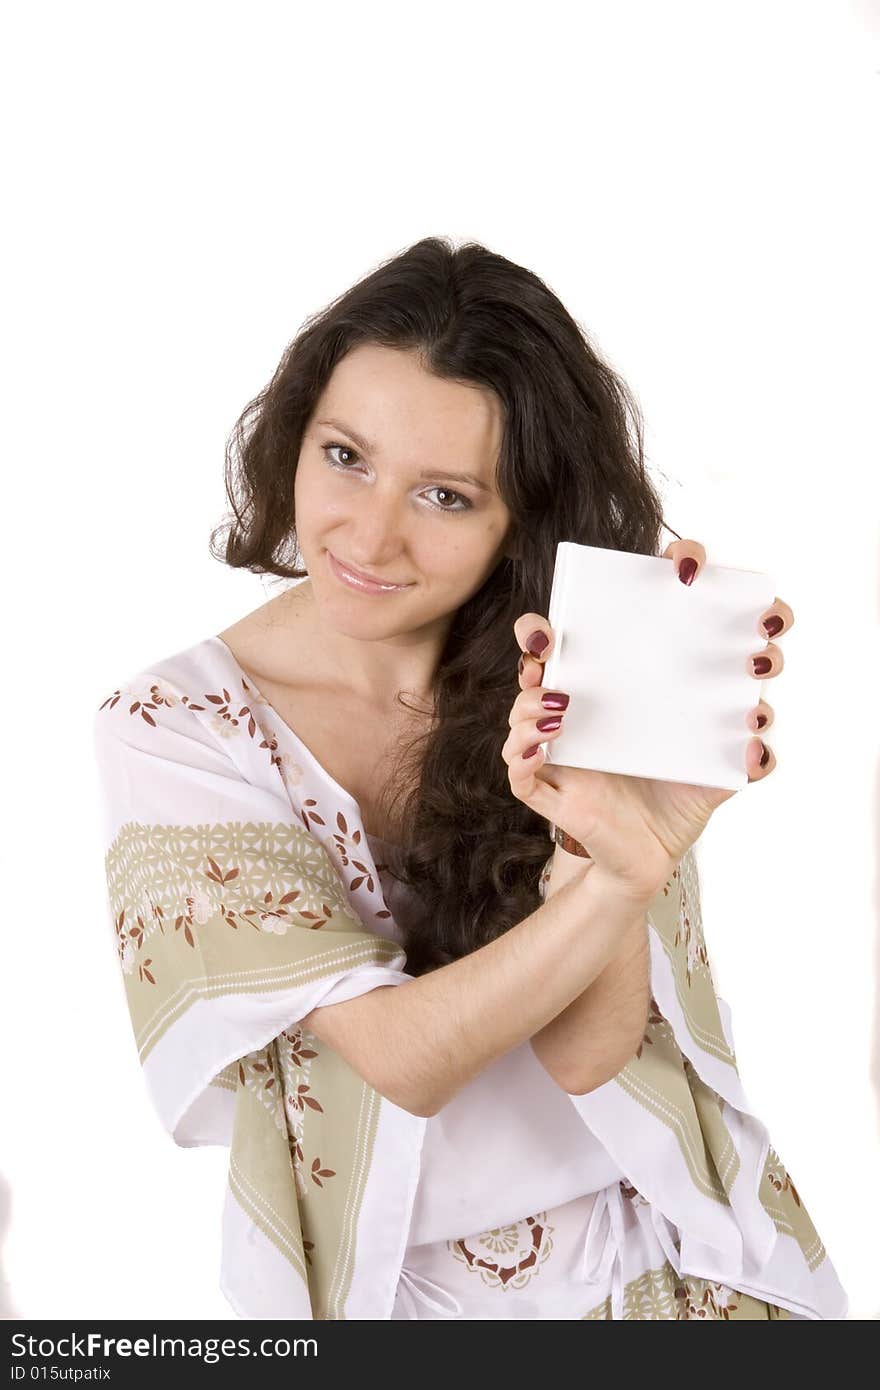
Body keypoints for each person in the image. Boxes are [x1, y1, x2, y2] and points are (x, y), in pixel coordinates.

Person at [92, 236, 847, 1320]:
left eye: (445, 496)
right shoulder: (177, 728)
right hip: (385, 1291)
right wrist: (608, 885)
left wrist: (619, 852)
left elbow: (594, 1055)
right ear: (293, 437)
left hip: (659, 1262)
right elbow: (403, 1058)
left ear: (517, 524)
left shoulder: (568, 681)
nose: (368, 532)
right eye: (344, 456)